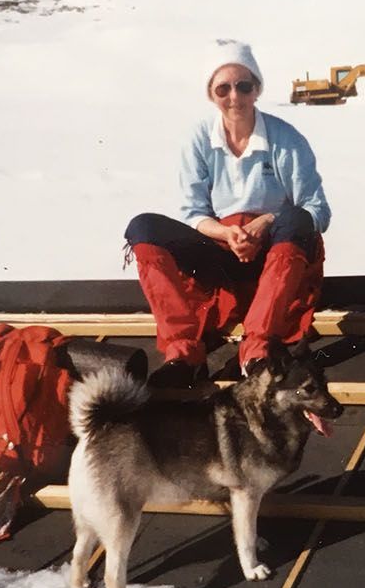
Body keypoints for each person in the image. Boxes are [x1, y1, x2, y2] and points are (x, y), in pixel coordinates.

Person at [125, 40, 331, 388]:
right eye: (223, 88)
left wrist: (266, 223)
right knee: (143, 228)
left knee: (296, 218)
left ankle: (257, 350)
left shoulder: (286, 139)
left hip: (275, 249)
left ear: (257, 89)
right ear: (211, 94)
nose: (234, 97)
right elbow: (193, 212)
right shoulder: (199, 140)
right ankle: (185, 353)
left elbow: (317, 210)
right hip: (223, 249)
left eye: (243, 86)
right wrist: (227, 234)